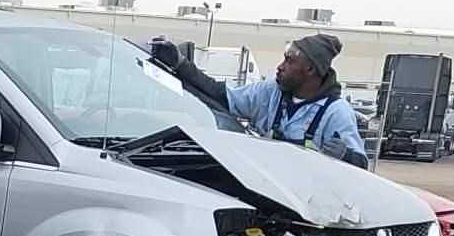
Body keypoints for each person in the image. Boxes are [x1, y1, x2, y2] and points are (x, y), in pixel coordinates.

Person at [148, 31, 370, 167]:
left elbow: (360, 170)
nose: (280, 67)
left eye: (289, 61)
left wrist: (346, 156)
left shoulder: (335, 113)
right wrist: (179, 64)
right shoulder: (270, 92)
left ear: (311, 69)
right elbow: (221, 96)